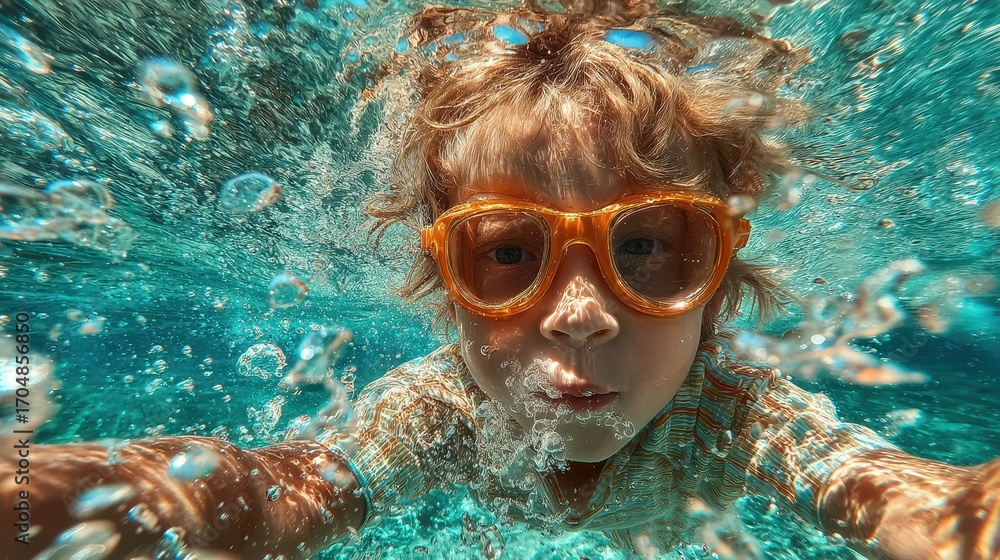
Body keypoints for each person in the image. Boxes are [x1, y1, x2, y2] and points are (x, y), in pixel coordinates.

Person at [3, 2, 998, 559]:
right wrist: (70, 496)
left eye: (649, 246)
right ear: (446, 279)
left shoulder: (735, 409)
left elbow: (922, 505)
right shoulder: (438, 409)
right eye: (510, 253)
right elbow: (269, 496)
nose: (578, 314)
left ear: (719, 273)